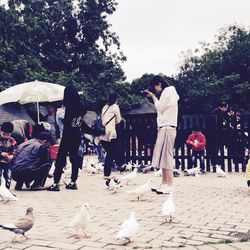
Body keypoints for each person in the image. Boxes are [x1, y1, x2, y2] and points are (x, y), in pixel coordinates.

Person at [47, 84, 95, 192]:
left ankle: (55, 183)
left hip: (68, 134)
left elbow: (68, 122)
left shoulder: (70, 106)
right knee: (74, 158)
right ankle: (73, 182)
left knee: (60, 158)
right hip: (77, 133)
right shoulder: (82, 106)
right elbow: (81, 122)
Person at [146, 75, 179, 194]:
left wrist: (154, 97)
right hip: (167, 127)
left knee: (167, 156)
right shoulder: (170, 92)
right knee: (163, 157)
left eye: (155, 87)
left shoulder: (167, 91)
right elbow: (162, 107)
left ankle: (169, 184)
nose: (156, 90)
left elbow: (160, 107)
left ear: (159, 84)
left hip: (167, 127)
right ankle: (164, 183)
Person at [99, 93, 121, 179]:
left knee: (109, 152)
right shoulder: (115, 107)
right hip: (110, 133)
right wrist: (113, 123)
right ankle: (107, 174)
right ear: (116, 99)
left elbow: (102, 119)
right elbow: (118, 120)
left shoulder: (104, 107)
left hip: (102, 132)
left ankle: (107, 172)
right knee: (111, 153)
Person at [210, 101, 229, 166]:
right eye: (226, 108)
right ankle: (215, 160)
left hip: (218, 132)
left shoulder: (219, 112)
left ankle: (216, 160)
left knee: (217, 147)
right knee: (215, 147)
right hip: (214, 132)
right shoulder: (215, 112)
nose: (226, 109)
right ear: (223, 107)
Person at [0, 122, 17, 189]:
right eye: (4, 134)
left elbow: (16, 149)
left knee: (8, 175)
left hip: (8, 162)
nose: (6, 136)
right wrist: (1, 153)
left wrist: (12, 155)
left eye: (8, 134)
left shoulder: (12, 140)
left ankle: (7, 189)